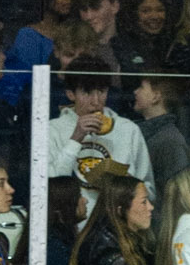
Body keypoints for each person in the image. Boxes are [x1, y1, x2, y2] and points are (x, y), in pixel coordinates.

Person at [49, 54, 154, 215]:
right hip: (73, 223)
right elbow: (50, 188)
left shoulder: (128, 129)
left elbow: (150, 192)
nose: (96, 101)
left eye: (101, 91)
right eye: (87, 92)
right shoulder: (53, 129)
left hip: (118, 222)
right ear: (70, 94)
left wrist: (127, 184)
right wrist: (75, 139)